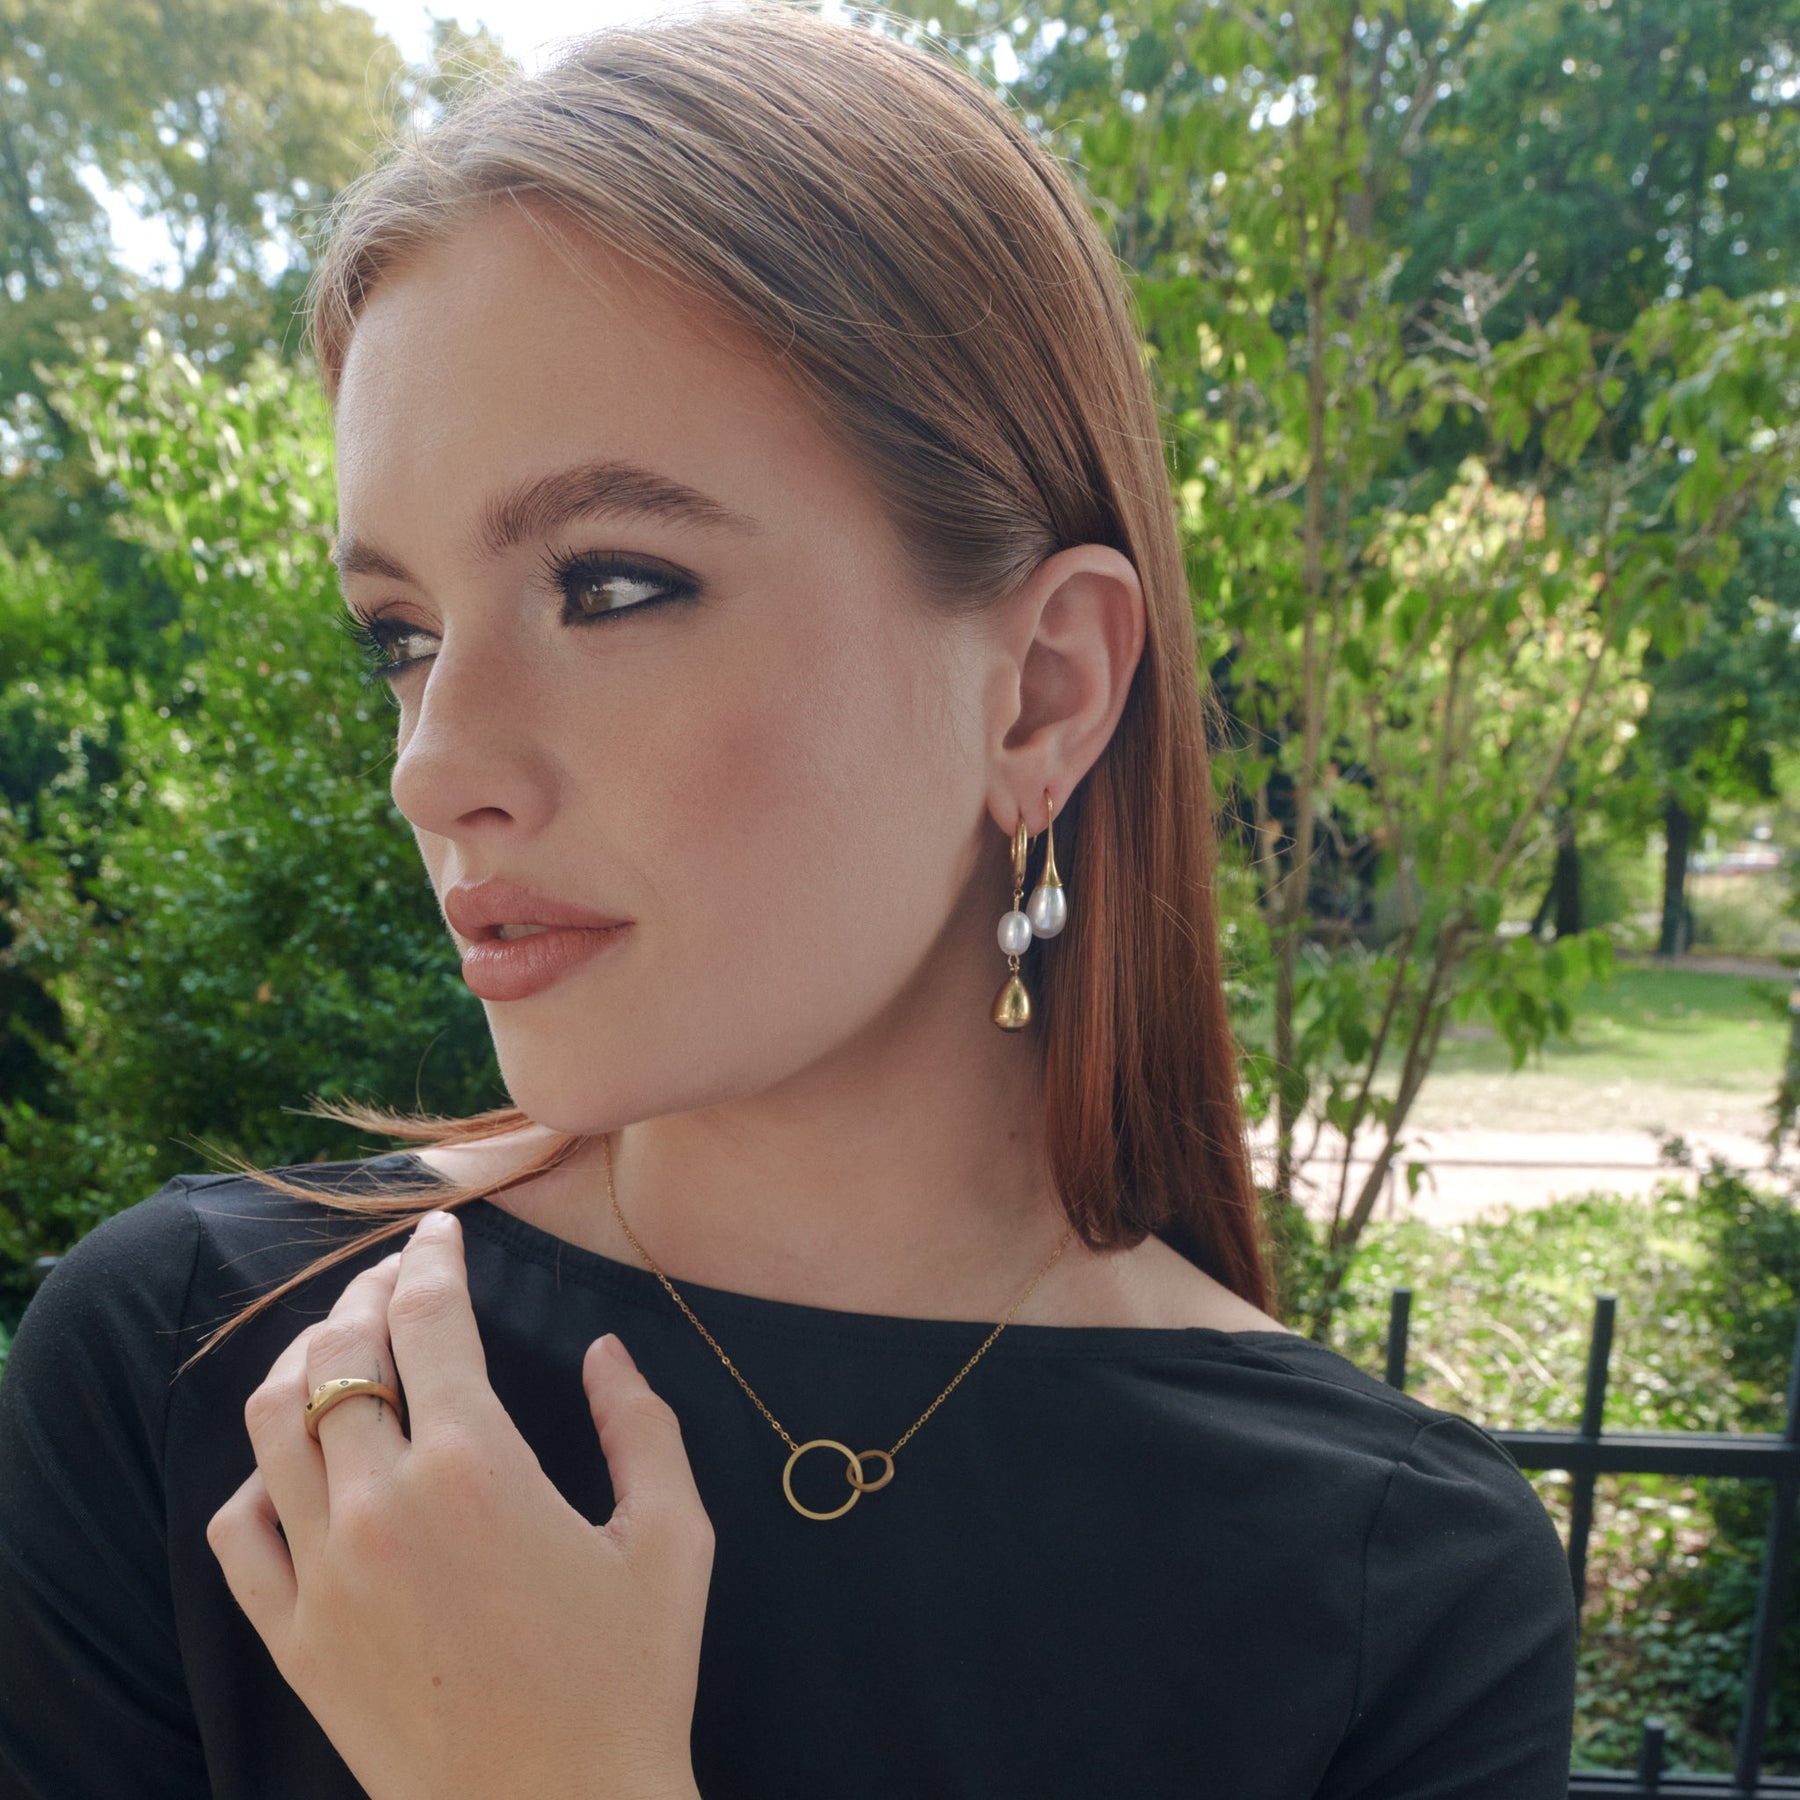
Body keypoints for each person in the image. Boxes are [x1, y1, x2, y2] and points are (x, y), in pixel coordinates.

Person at [0, 5, 1578, 1796]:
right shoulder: (205, 1370)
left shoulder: (1396, 1594)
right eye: (403, 634)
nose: (432, 767)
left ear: (1043, 690)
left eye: (609, 586)